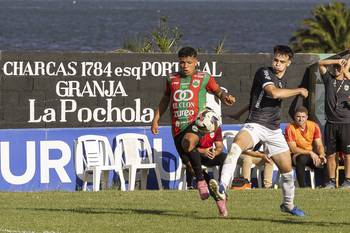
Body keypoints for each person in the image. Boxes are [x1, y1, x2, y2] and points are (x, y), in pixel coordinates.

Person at [209, 45, 308, 217]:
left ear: (289, 63)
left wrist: (238, 113)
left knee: (287, 171)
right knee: (236, 146)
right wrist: (299, 90)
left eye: (281, 61)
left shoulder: (282, 82)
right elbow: (274, 93)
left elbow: (258, 99)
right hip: (255, 124)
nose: (277, 63)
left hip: (274, 130)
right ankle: (223, 187)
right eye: (275, 60)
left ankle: (288, 205)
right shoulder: (264, 73)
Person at [151, 47, 235, 200]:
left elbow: (218, 92)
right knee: (189, 166)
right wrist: (156, 118)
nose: (185, 66)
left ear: (196, 62)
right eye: (182, 62)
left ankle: (201, 181)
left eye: (189, 62)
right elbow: (165, 98)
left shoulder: (204, 77)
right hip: (177, 127)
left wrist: (226, 97)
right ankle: (218, 195)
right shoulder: (172, 78)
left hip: (196, 123)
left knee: (189, 142)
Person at [318, 55, 350, 189]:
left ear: (344, 67)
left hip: (346, 123)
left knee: (348, 154)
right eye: (334, 66)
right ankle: (331, 181)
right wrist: (337, 61)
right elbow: (320, 63)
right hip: (331, 123)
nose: (336, 69)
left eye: (338, 67)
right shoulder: (329, 79)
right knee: (330, 154)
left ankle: (348, 181)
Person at [285, 106, 326, 188]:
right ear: (294, 117)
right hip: (295, 155)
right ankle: (303, 187)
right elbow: (293, 149)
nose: (301, 119)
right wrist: (310, 152)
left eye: (303, 117)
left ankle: (325, 185)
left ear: (307, 117)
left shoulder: (314, 126)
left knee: (324, 159)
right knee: (302, 158)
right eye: (298, 117)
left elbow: (319, 145)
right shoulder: (290, 128)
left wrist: (321, 155)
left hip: (310, 154)